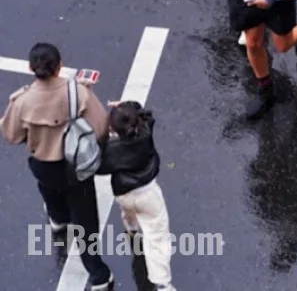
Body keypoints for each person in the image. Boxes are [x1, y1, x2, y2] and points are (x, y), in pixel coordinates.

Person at [0, 43, 114, 291]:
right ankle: (98, 275)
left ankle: (59, 220)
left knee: (49, 190)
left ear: (31, 68)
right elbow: (102, 127)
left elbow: (11, 135)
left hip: (43, 165)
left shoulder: (22, 101)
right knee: (86, 223)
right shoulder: (78, 93)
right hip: (76, 166)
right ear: (59, 66)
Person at [95, 101, 175, 290]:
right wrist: (128, 105)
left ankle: (132, 229)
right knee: (157, 237)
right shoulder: (145, 134)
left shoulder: (111, 150)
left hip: (124, 194)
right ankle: (162, 283)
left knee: (129, 211)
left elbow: (98, 165)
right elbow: (147, 114)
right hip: (148, 194)